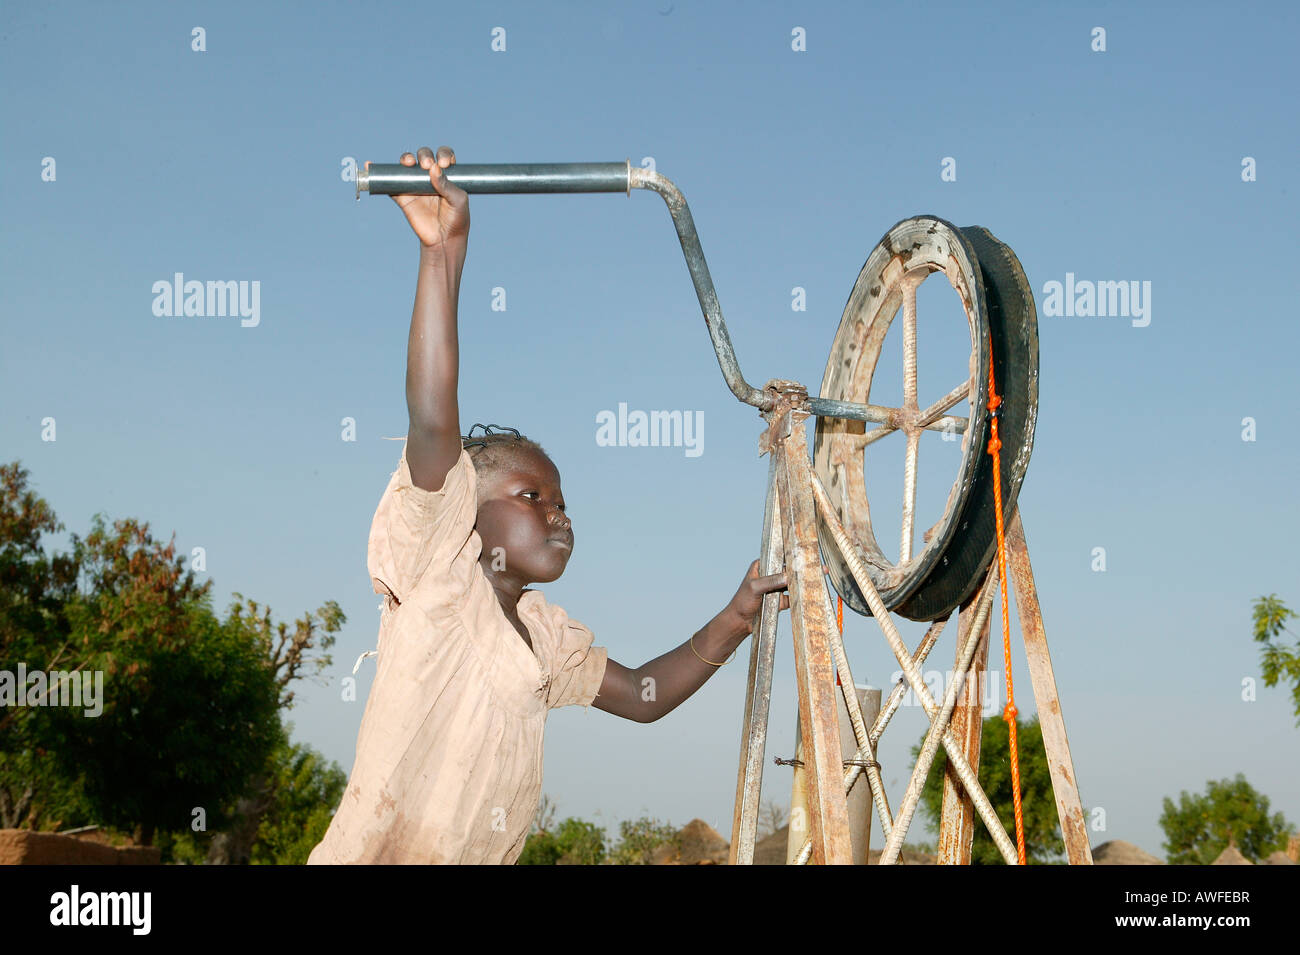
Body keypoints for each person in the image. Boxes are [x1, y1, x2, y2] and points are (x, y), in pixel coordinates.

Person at [307, 145, 791, 864]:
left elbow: (646, 695)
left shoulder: (544, 640)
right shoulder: (438, 572)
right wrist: (443, 256)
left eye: (562, 502)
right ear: (468, 508)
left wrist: (735, 618)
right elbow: (434, 417)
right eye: (532, 496)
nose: (558, 514)